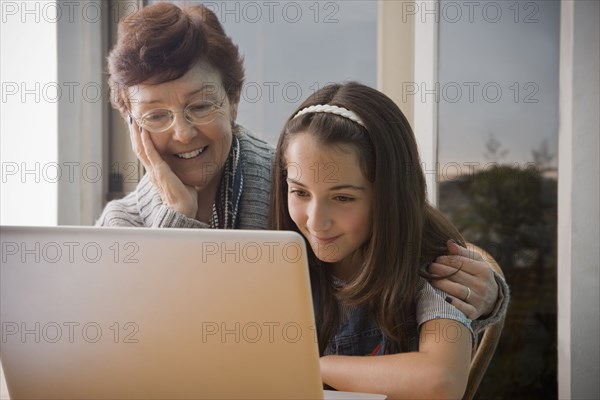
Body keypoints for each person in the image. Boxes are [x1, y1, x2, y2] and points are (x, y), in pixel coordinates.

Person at [97, 2, 506, 324]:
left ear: (234, 98)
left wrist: (490, 295)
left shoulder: (294, 181)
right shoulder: (120, 226)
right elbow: (148, 342)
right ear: (131, 124)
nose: (183, 133)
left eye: (201, 105)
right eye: (156, 116)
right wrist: (178, 216)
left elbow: (414, 234)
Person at [269, 82, 509, 398]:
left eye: (342, 197)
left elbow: (441, 380)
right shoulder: (278, 254)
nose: (316, 221)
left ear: (389, 195)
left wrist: (317, 367)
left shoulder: (437, 263)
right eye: (300, 192)